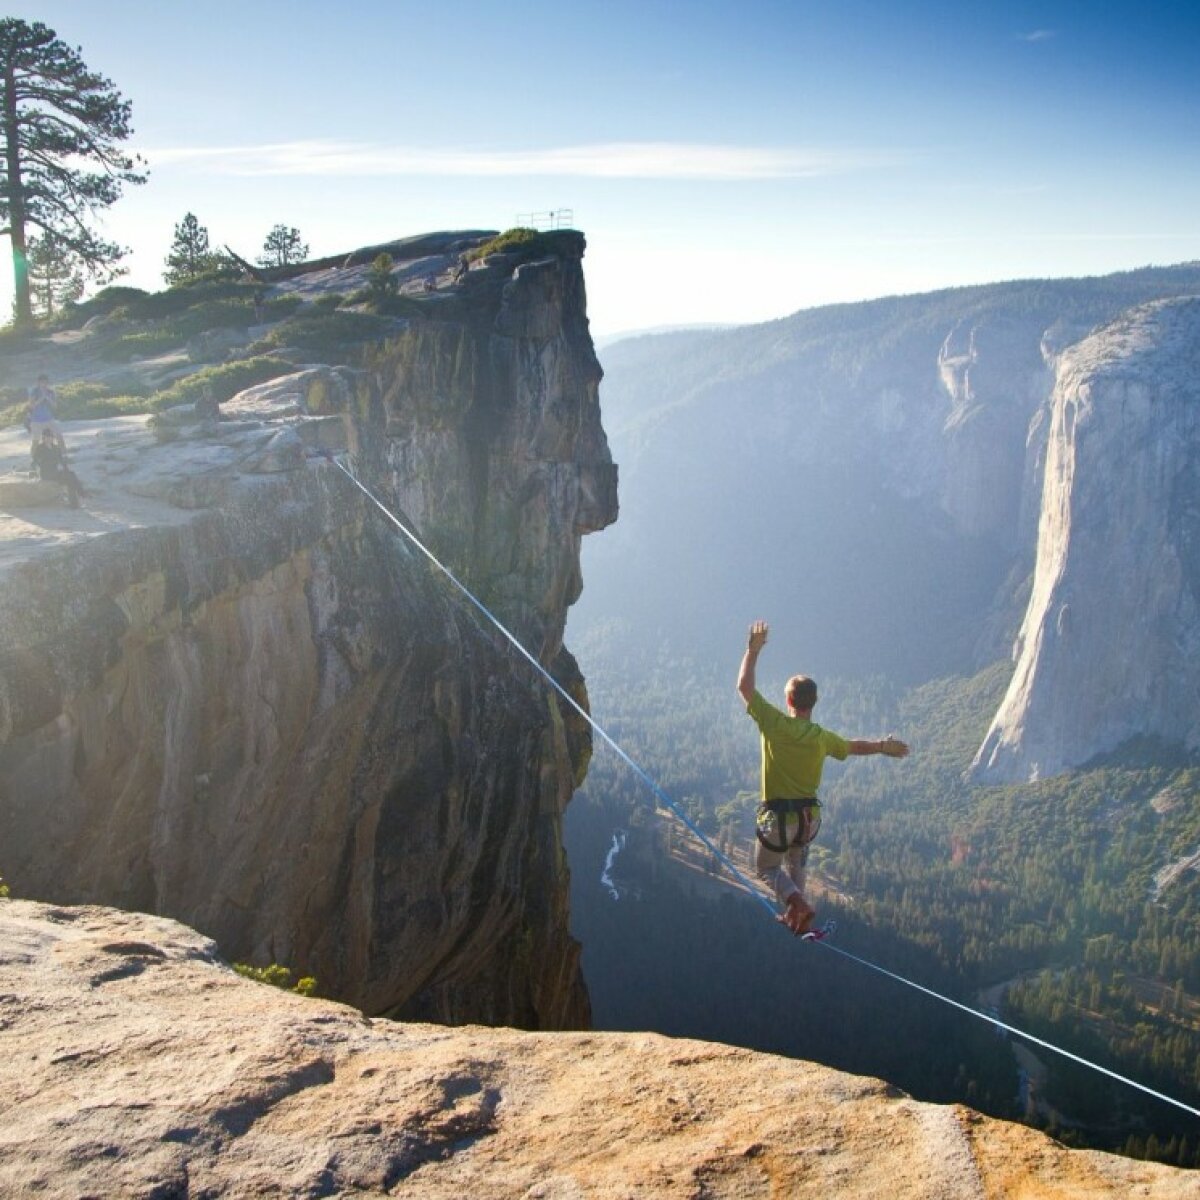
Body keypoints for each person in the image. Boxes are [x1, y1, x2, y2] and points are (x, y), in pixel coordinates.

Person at [736, 619, 909, 935]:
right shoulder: (821, 737)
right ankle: (797, 917)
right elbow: (854, 746)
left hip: (779, 817)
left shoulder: (774, 724)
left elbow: (745, 688)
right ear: (812, 703)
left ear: (788, 701)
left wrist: (753, 650)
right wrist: (884, 746)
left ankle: (798, 906)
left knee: (766, 868)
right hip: (809, 818)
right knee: (796, 861)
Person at [32, 427, 85, 508]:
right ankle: (82, 493)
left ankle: (74, 504)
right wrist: (36, 469)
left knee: (70, 478)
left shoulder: (56, 448)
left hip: (55, 472)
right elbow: (35, 460)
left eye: (51, 437)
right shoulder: (40, 448)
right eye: (47, 437)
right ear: (43, 438)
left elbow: (62, 461)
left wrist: (66, 470)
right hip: (46, 474)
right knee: (70, 477)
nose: (49, 438)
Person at [27, 374, 65, 456]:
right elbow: (31, 406)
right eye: (42, 382)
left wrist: (48, 398)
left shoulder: (50, 392)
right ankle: (33, 459)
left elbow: (55, 406)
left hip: (49, 419)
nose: (44, 384)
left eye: (45, 382)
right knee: (36, 441)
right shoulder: (34, 391)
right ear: (38, 383)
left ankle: (64, 456)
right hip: (36, 420)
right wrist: (41, 399)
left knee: (59, 437)